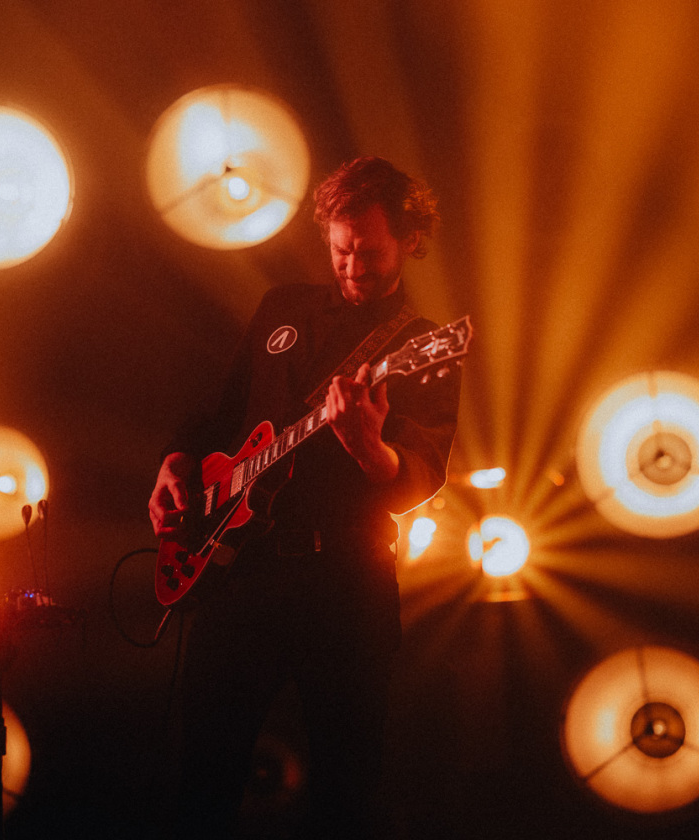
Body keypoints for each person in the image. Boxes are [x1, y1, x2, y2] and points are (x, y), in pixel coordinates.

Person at [148, 156, 462, 838]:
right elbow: (218, 415)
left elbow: (423, 474)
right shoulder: (280, 307)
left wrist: (367, 445)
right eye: (341, 249)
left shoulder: (422, 347)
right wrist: (175, 466)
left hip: (345, 588)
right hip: (242, 581)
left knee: (347, 798)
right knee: (200, 784)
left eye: (370, 251)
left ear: (408, 239)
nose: (353, 265)